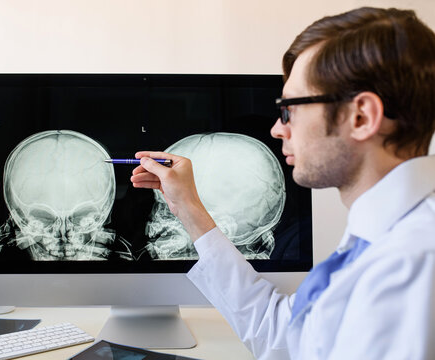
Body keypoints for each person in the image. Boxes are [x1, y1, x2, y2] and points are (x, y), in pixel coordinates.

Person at [130, 7, 435, 360]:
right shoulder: (382, 240)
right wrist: (189, 209)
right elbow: (286, 339)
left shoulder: (409, 266)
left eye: (290, 108)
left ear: (361, 116)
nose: (277, 128)